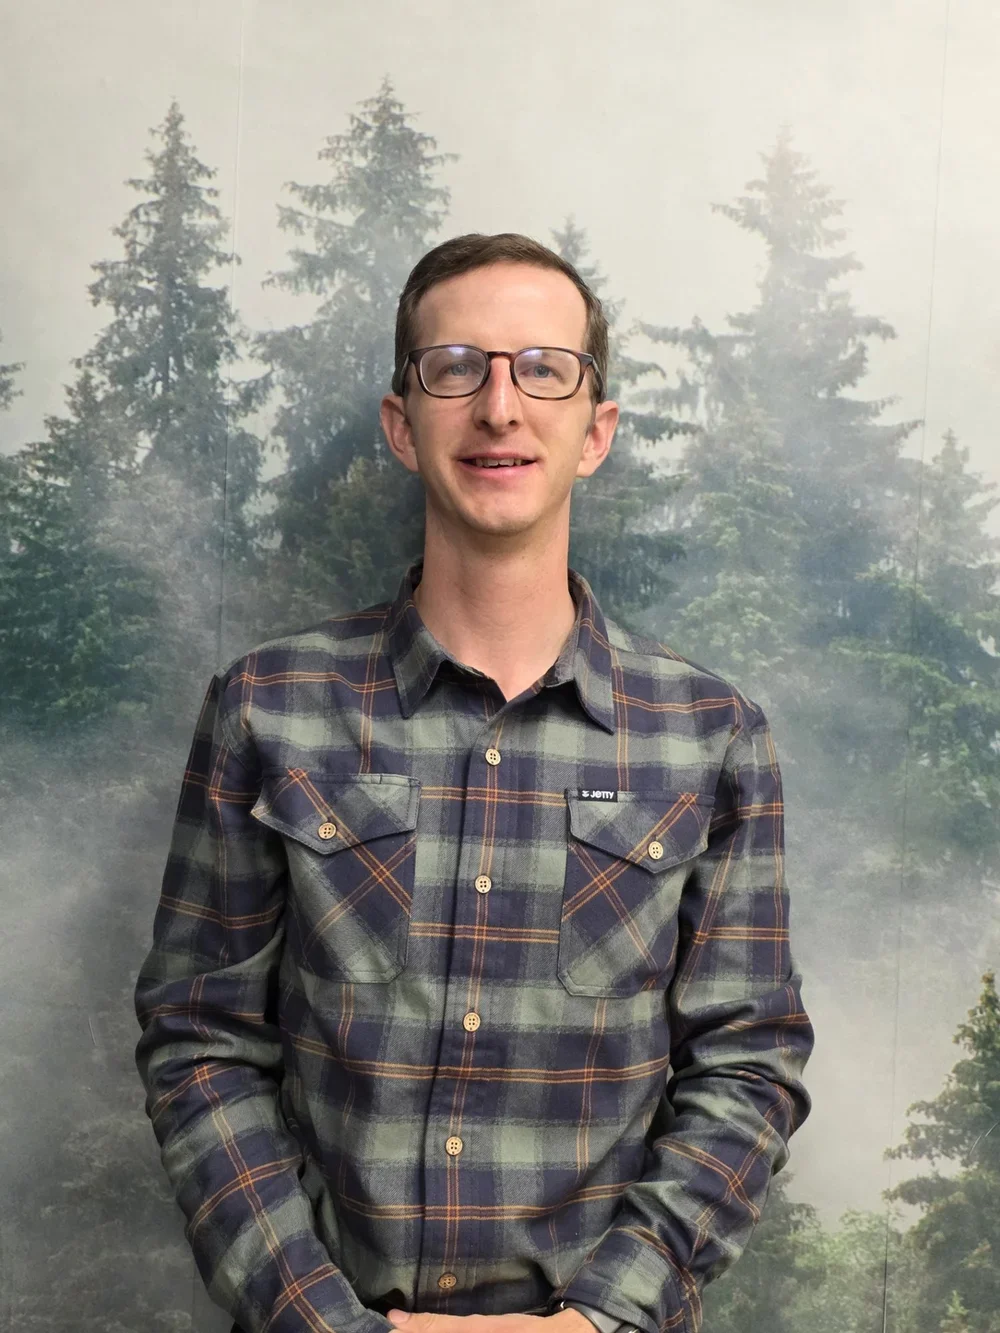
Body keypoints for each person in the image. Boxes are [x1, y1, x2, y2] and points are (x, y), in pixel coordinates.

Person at [134, 232, 814, 1333]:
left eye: (543, 367)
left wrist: (595, 1322)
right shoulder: (267, 707)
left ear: (595, 432)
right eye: (457, 366)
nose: (500, 406)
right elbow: (200, 1042)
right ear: (403, 424)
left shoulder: (712, 737)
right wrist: (323, 1322)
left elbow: (747, 1068)